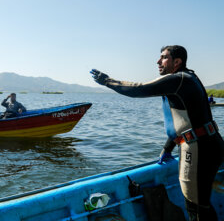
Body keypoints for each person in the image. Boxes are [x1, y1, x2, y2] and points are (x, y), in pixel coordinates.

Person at [90, 45, 224, 220]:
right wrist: (168, 147)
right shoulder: (185, 79)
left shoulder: (179, 79)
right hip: (206, 143)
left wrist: (108, 81)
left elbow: (139, 88)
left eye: (163, 57)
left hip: (199, 147)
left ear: (177, 62)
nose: (158, 61)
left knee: (196, 206)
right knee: (200, 203)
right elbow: (186, 119)